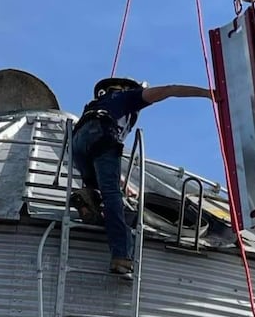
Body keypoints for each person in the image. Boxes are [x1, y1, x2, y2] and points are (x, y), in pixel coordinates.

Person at [70, 77, 213, 274]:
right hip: (102, 134)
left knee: (98, 187)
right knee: (112, 196)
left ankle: (88, 201)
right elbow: (170, 89)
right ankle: (121, 255)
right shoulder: (128, 97)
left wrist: (122, 182)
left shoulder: (97, 104)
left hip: (78, 144)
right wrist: (207, 93)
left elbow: (98, 153)